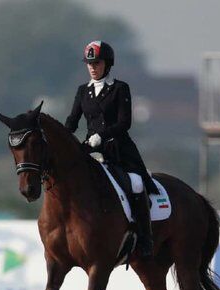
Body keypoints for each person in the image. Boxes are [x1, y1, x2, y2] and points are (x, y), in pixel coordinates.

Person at [65, 40, 158, 258]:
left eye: (96, 63)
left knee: (135, 183)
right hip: (91, 150)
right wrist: (57, 135)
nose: (92, 67)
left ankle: (144, 237)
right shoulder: (82, 91)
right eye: (89, 63)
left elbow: (124, 123)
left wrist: (101, 135)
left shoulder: (119, 88)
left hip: (118, 149)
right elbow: (72, 121)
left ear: (107, 64)